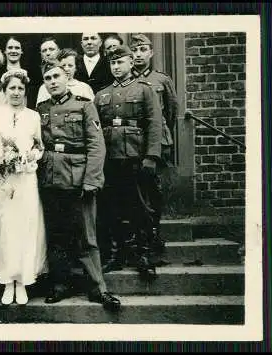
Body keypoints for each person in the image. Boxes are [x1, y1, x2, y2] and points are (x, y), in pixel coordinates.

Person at [36, 61, 120, 311]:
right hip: (50, 180)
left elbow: (96, 145)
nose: (52, 81)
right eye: (47, 78)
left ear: (67, 78)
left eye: (56, 77)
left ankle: (98, 288)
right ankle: (60, 285)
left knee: (86, 237)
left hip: (78, 180)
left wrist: (92, 179)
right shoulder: (40, 109)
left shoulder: (85, 105)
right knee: (57, 236)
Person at [0, 69, 47, 305]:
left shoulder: (33, 116)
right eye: (12, 88)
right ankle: (6, 281)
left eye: (20, 89)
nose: (16, 92)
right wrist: (0, 157)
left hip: (25, 179)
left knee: (24, 226)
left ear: (25, 92)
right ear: (4, 91)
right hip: (1, 180)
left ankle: (22, 280)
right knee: (4, 227)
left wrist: (29, 157)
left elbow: (40, 147)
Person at [94, 45, 162, 279]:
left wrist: (151, 156)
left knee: (140, 208)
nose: (116, 67)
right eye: (112, 63)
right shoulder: (101, 94)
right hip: (109, 159)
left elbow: (154, 124)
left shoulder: (144, 90)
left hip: (136, 157)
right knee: (110, 208)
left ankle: (145, 256)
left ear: (131, 63)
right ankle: (115, 254)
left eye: (120, 62)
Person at [130, 33, 179, 261]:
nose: (138, 54)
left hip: (158, 142)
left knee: (154, 190)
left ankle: (154, 233)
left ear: (151, 52)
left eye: (142, 50)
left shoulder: (162, 79)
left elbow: (170, 112)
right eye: (135, 50)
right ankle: (141, 238)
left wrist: (160, 136)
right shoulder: (127, 81)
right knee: (137, 193)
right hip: (134, 142)